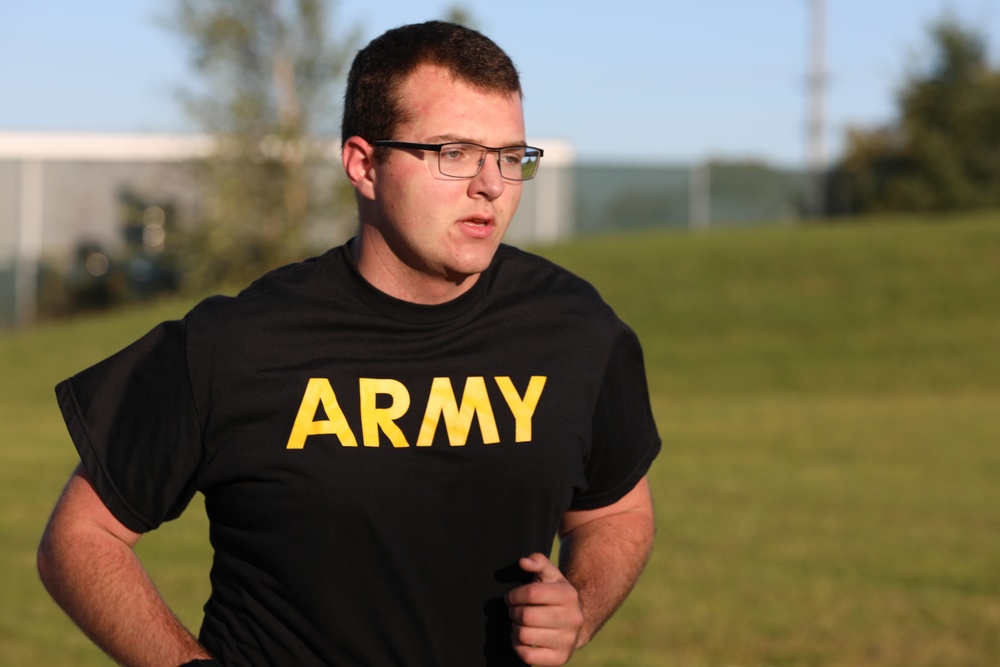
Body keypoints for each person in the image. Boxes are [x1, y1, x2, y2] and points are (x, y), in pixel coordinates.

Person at [37, 20, 660, 667]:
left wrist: (580, 604)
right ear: (364, 164)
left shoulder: (575, 326)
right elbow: (81, 538)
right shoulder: (239, 343)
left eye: (509, 156)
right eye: (454, 152)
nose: (491, 185)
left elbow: (613, 512)